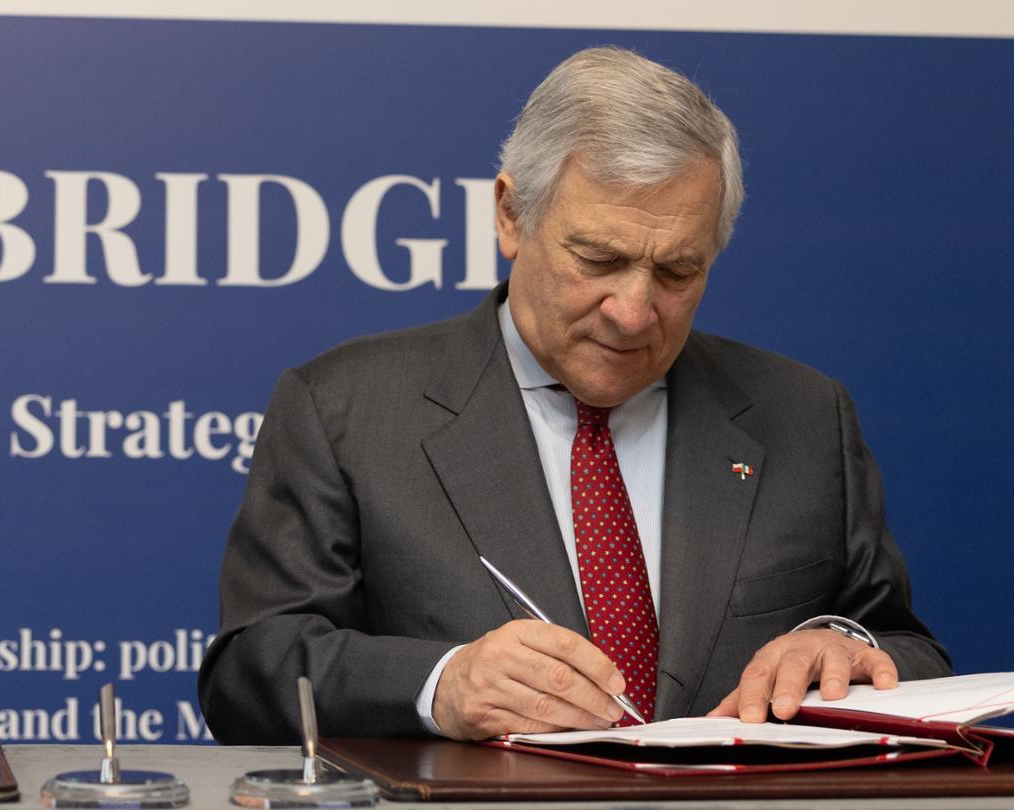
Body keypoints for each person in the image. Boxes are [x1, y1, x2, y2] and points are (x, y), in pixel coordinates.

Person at [198, 46, 948, 744]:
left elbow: (911, 650)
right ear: (511, 216)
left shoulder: (804, 415)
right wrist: (440, 686)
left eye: (678, 272)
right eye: (599, 258)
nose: (632, 309)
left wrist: (849, 651)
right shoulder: (345, 409)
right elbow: (250, 671)